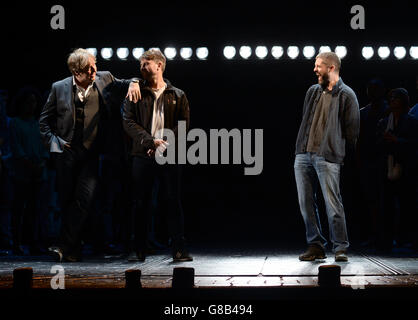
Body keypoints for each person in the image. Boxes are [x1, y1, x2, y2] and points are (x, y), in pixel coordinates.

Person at [39, 48, 141, 262]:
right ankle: (72, 250)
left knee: (84, 199)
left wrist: (134, 81)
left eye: (95, 64)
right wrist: (55, 144)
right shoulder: (59, 88)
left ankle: (62, 244)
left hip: (91, 154)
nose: (95, 70)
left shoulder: (105, 78)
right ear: (76, 72)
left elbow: (125, 83)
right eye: (89, 68)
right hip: (66, 155)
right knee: (67, 201)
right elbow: (44, 122)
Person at [122, 49, 192, 262]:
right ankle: (137, 249)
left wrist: (165, 145)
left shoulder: (178, 94)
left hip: (169, 155)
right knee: (140, 202)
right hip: (142, 155)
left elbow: (184, 125)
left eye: (145, 63)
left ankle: (179, 249)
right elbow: (128, 121)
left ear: (159, 65)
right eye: (140, 64)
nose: (141, 67)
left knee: (173, 200)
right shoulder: (135, 92)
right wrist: (150, 142)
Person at [294, 51, 360, 262]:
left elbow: (352, 132)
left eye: (319, 65)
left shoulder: (346, 95)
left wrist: (340, 154)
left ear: (331, 68)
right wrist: (301, 150)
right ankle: (315, 245)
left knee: (333, 203)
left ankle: (340, 247)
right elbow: (306, 121)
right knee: (306, 203)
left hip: (328, 156)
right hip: (304, 154)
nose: (315, 69)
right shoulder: (312, 92)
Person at [376, 88, 418, 251]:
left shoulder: (412, 121)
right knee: (387, 205)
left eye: (396, 98)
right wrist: (386, 140)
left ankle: (406, 240)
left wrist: (397, 140)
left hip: (406, 168)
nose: (393, 100)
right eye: (391, 98)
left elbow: (414, 144)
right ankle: (387, 240)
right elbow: (376, 145)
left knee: (407, 206)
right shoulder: (384, 121)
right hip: (387, 167)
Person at [9, 86, 49, 255]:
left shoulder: (37, 124)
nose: (31, 105)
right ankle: (17, 243)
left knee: (35, 209)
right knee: (19, 209)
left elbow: (45, 146)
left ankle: (33, 242)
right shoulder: (15, 123)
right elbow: (17, 148)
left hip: (38, 172)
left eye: (33, 102)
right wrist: (29, 163)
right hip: (21, 173)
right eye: (28, 102)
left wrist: (41, 163)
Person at [356, 79, 388, 247]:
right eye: (370, 89)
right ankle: (375, 235)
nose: (372, 93)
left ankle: (387, 236)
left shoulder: (389, 111)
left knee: (387, 200)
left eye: (376, 89)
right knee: (371, 200)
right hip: (368, 160)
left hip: (385, 159)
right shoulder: (363, 112)